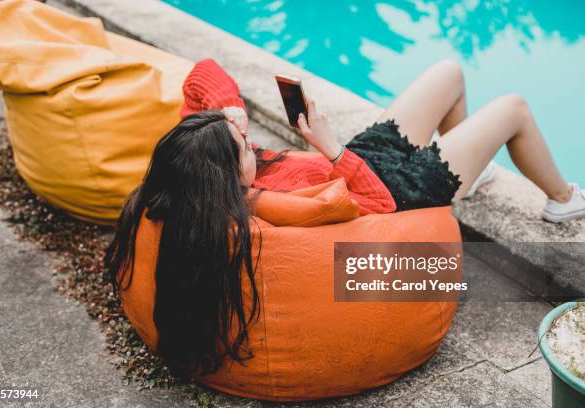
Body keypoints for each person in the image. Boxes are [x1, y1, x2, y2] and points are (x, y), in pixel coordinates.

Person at [105, 58, 584, 380]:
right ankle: (562, 198)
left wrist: (230, 112)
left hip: (356, 161)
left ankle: (468, 169)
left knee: (449, 73)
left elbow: (203, 71)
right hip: (399, 191)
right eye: (246, 149)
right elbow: (375, 209)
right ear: (231, 175)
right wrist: (330, 147)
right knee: (514, 109)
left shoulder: (195, 162)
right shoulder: (271, 203)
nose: (251, 144)